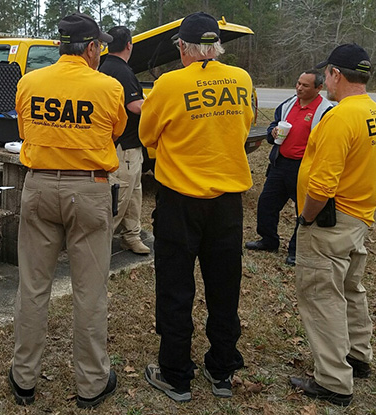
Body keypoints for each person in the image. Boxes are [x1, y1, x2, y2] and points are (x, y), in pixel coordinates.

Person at [9, 13, 127, 410]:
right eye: (100, 47)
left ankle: (23, 378)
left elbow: (25, 131)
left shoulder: (30, 82)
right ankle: (91, 383)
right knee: (90, 291)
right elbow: (114, 131)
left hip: (39, 186)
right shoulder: (108, 87)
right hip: (89, 189)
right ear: (91, 48)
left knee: (33, 286)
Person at [138, 12, 254, 402]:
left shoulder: (169, 84)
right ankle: (222, 368)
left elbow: (147, 134)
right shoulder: (241, 79)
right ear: (216, 46)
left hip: (180, 200)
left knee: (175, 286)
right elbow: (245, 124)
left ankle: (175, 373)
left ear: (183, 48)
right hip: (227, 201)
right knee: (225, 285)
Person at [290, 43, 376, 407]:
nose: (325, 81)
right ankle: (357, 355)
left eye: (326, 74)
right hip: (359, 216)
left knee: (321, 295)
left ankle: (334, 380)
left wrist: (307, 217)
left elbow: (322, 185)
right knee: (350, 288)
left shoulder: (339, 117)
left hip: (331, 222)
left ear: (335, 74)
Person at [245, 70, 333, 266]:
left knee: (303, 210)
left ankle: (296, 250)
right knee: (266, 204)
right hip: (280, 163)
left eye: (305, 85)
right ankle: (268, 240)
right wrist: (273, 132)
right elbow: (273, 126)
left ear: (319, 88)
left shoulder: (326, 111)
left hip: (304, 167)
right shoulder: (288, 104)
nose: (299, 88)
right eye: (298, 83)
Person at [98, 26, 151, 255]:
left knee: (134, 193)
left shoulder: (104, 66)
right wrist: (159, 105)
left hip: (127, 144)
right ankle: (98, 242)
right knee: (119, 196)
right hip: (124, 146)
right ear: (129, 45)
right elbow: (135, 106)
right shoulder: (121, 71)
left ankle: (131, 235)